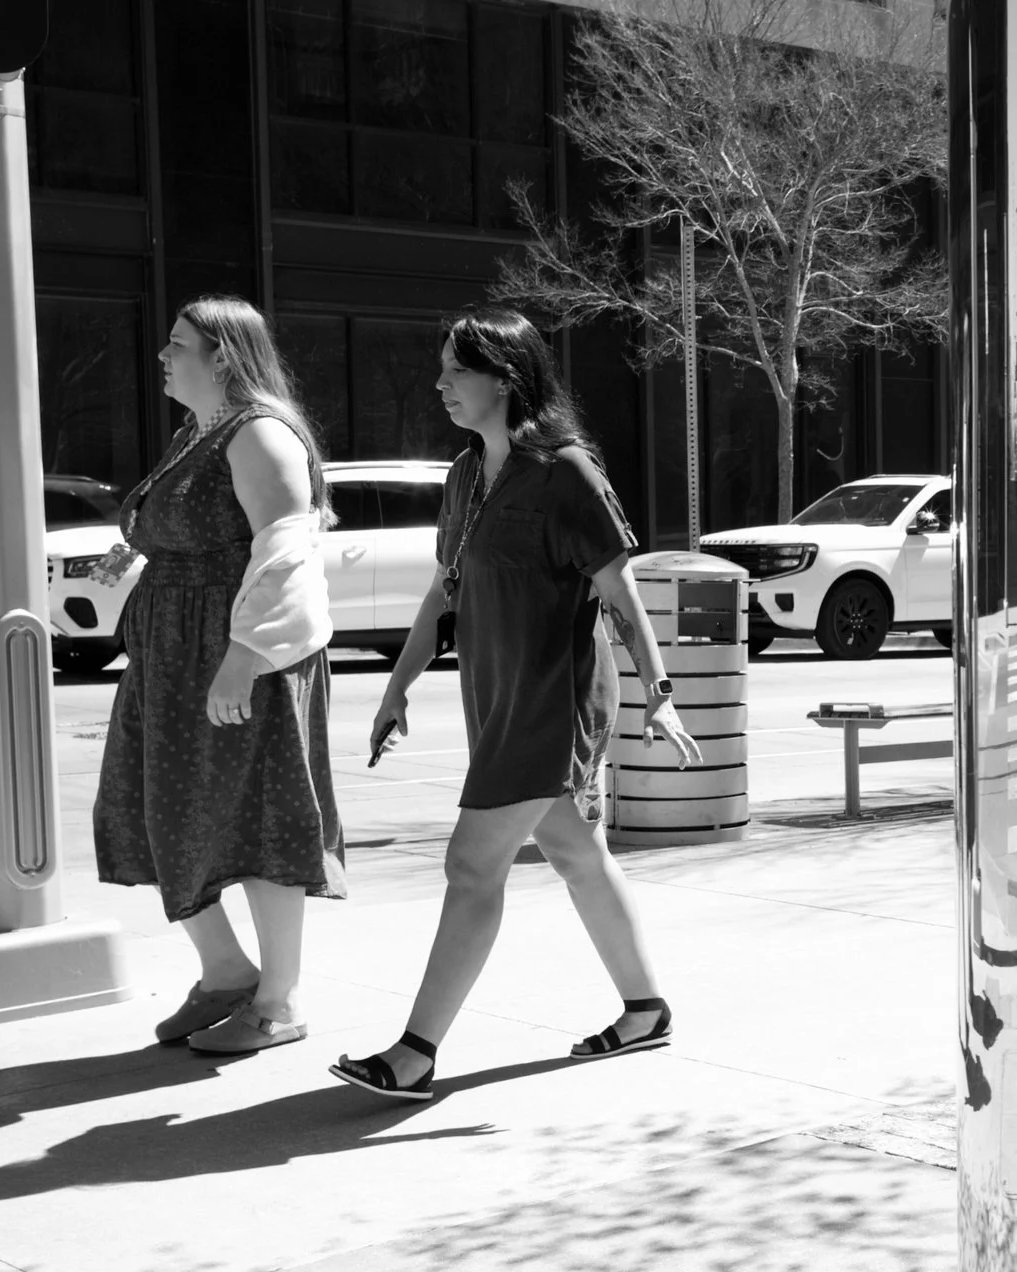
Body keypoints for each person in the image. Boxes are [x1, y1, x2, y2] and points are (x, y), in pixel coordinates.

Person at [329, 306, 699, 1103]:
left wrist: (659, 694)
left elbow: (621, 592)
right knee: (574, 856)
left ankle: (415, 1053)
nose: (440, 385)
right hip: (494, 698)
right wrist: (398, 685)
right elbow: (444, 589)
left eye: (455, 372)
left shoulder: (565, 471)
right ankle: (646, 1008)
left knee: (470, 867)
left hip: (551, 701)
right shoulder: (467, 475)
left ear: (504, 377)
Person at [93, 294, 346, 1054]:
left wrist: (243, 660)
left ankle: (279, 1000)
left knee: (260, 820)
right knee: (148, 808)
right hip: (172, 657)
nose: (163, 357)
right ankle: (227, 973)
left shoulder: (261, 434)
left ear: (223, 357)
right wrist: (137, 551)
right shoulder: (194, 433)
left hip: (237, 656)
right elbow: (195, 527)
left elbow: (286, 555)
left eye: (178, 345)